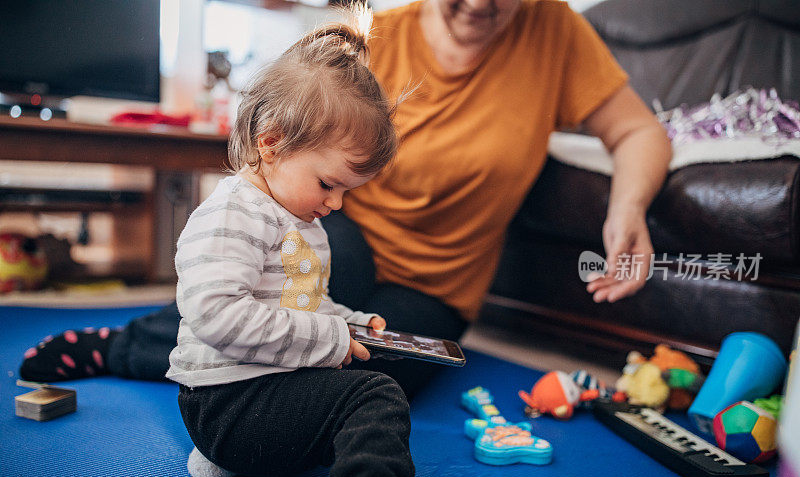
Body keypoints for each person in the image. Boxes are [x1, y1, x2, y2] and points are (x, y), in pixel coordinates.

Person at [21, 0, 670, 399]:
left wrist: (626, 207)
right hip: (344, 235)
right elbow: (290, 131)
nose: (478, 3)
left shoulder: (555, 33)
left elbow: (639, 130)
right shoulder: (376, 40)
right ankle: (124, 346)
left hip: (435, 286)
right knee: (288, 299)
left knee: (368, 373)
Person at [173, 14, 415, 477]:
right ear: (271, 142)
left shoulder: (298, 217)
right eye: (329, 184)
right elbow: (216, 317)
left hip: (251, 397)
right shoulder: (230, 215)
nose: (337, 203)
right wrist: (328, 338)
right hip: (226, 404)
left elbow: (305, 306)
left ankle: (233, 459)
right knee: (377, 398)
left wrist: (348, 322)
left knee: (366, 375)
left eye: (348, 191)